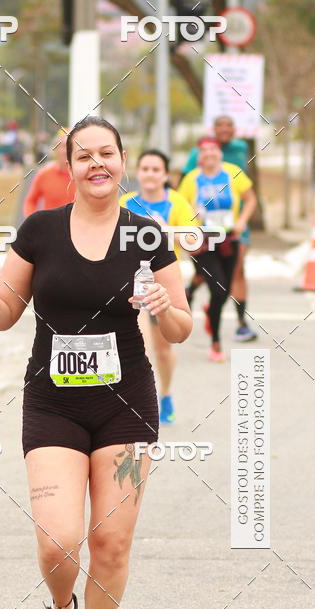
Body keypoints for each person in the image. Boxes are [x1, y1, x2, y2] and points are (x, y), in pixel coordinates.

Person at [0, 116, 191, 609]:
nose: (96, 164)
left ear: (123, 160)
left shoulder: (148, 234)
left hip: (126, 403)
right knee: (58, 541)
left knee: (111, 542)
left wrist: (162, 307)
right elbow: (5, 313)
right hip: (53, 403)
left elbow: (181, 328)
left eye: (105, 153)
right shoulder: (40, 231)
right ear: (69, 167)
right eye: (84, 156)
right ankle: (61, 606)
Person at [120, 149, 197, 424]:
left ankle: (165, 394)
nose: (150, 174)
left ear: (165, 175)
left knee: (163, 350)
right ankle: (133, 400)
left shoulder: (177, 203)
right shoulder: (126, 202)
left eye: (156, 169)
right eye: (145, 169)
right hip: (128, 283)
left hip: (162, 284)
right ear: (137, 173)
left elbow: (195, 242)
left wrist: (168, 232)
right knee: (138, 346)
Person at [178, 136, 256, 362]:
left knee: (225, 288)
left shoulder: (233, 172)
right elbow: (180, 208)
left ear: (219, 153)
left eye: (213, 149)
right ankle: (216, 343)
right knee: (219, 289)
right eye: (205, 150)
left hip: (229, 238)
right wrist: (187, 235)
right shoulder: (191, 179)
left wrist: (242, 220)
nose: (210, 154)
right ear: (199, 156)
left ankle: (209, 309)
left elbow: (251, 199)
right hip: (203, 241)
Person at [23, 130, 76, 216]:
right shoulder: (44, 174)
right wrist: (32, 223)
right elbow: (30, 201)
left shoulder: (82, 174)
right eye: (63, 146)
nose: (66, 151)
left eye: (70, 147)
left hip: (78, 227)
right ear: (56, 149)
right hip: (50, 227)